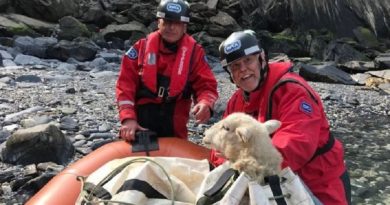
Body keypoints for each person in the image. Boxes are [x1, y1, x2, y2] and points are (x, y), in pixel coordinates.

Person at [210, 30, 351, 205]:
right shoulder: (236, 102)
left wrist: (249, 164)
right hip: (270, 183)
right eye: (235, 66)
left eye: (248, 60)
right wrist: (228, 166)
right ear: (230, 73)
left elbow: (296, 141)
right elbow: (220, 146)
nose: (243, 69)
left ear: (261, 58)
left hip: (318, 185)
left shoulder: (293, 91)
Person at [116, 0, 218, 141]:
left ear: (184, 27)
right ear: (159, 23)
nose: (171, 27)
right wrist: (128, 119)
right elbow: (125, 86)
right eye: (167, 22)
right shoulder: (140, 49)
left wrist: (205, 103)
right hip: (139, 125)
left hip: (175, 126)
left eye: (176, 23)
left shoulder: (195, 54)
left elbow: (206, 86)